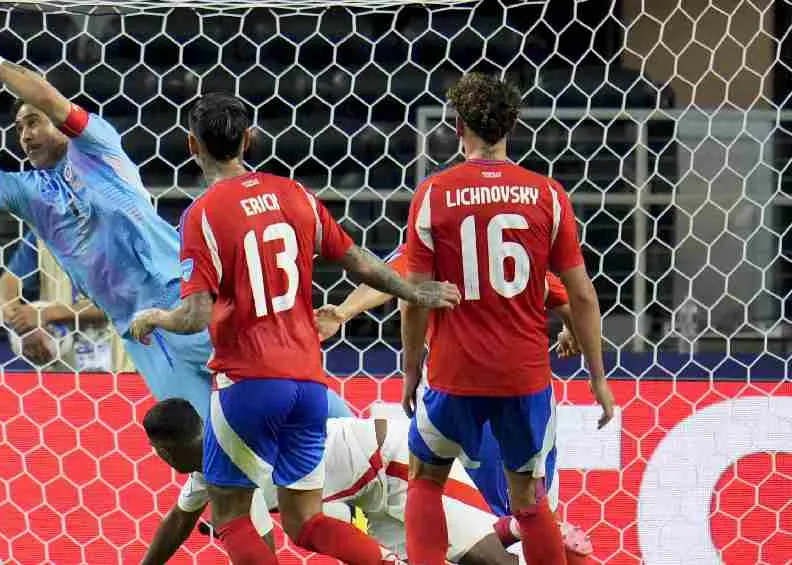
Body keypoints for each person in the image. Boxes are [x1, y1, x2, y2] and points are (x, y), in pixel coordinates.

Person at [0, 9, 353, 420]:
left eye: (32, 121)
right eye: (17, 126)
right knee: (202, 446)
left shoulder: (97, 147)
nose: (23, 134)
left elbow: (46, 95)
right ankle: (246, 517)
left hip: (190, 300)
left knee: (289, 398)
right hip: (140, 336)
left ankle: (369, 449)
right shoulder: (28, 192)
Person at [130, 92, 460, 564]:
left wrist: (155, 317)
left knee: (230, 516)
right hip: (308, 384)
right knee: (305, 521)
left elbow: (195, 315)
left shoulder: (201, 215)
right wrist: (415, 292)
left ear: (191, 145)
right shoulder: (295, 195)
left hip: (248, 384)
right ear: (249, 139)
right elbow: (357, 260)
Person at [397, 73, 613, 565]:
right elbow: (581, 294)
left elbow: (413, 297)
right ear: (514, 124)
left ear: (456, 126)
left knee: (425, 480)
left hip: (455, 374)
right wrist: (599, 379)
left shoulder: (433, 193)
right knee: (530, 502)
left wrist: (411, 373)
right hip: (523, 376)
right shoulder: (547, 194)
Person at [315, 244, 593, 561]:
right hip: (524, 394)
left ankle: (526, 535)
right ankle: (534, 535)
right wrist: (572, 331)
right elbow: (570, 299)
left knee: (470, 531)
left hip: (461, 398)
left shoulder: (440, 236)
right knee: (525, 517)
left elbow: (389, 279)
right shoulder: (513, 242)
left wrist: (345, 311)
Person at [141, 398, 525, 565]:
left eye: (158, 451)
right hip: (365, 499)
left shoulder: (234, 467)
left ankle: (533, 531)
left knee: (487, 559)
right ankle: (522, 529)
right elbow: (178, 521)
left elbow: (262, 550)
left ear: (167, 449)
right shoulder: (210, 468)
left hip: (392, 463)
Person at [0, 230, 114, 369]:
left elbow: (125, 303)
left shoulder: (121, 231)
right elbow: (6, 286)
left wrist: (49, 314)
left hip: (122, 365)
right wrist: (22, 324)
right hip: (61, 367)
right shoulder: (41, 233)